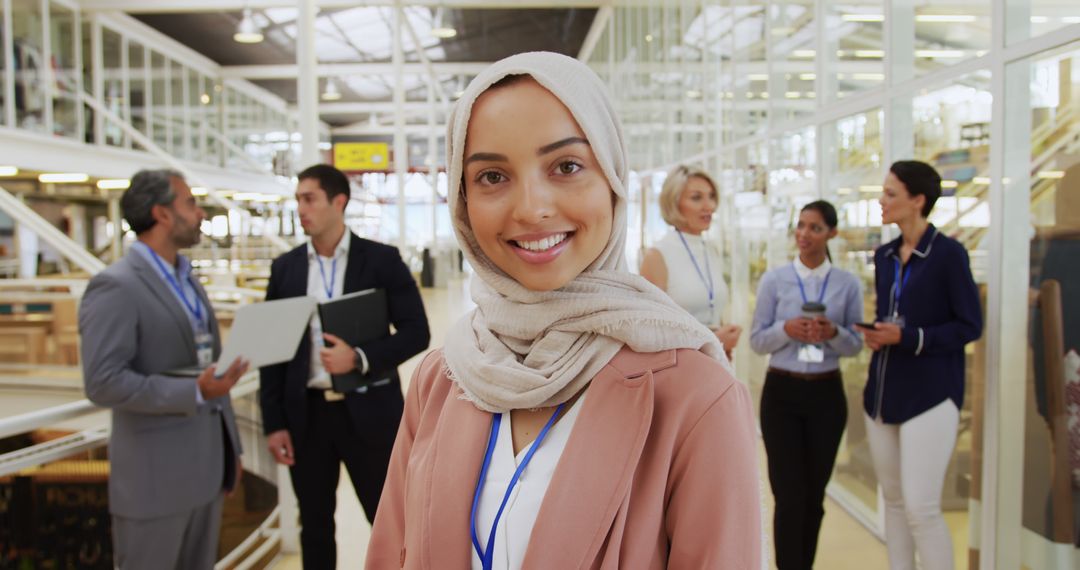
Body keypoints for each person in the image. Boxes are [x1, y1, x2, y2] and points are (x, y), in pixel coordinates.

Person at [365, 51, 761, 570]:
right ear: (461, 200)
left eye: (567, 166)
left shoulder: (696, 396)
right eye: (491, 176)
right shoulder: (442, 380)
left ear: (613, 178)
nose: (531, 208)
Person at [258, 163, 430, 569]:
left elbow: (416, 331)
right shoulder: (285, 269)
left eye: (309, 199)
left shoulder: (381, 261)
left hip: (370, 413)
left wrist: (361, 358)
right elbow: (273, 352)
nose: (301, 208)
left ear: (339, 202)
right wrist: (274, 422)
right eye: (298, 199)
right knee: (314, 527)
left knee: (390, 520)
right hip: (307, 417)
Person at [79, 169, 249, 569]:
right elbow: (103, 382)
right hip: (154, 486)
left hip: (206, 473)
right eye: (190, 203)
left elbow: (210, 369)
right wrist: (192, 392)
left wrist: (231, 449)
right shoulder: (115, 286)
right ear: (162, 214)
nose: (201, 213)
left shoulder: (187, 279)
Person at [856, 160, 983, 570]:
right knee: (892, 503)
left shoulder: (948, 254)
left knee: (921, 508)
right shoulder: (885, 255)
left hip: (930, 395)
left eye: (891, 193)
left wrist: (909, 338)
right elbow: (893, 313)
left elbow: (969, 325)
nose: (882, 200)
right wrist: (878, 333)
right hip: (883, 393)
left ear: (918, 201)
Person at [750, 200, 864, 570]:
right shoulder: (774, 280)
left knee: (813, 497)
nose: (804, 234)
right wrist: (786, 329)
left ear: (831, 233)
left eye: (814, 228)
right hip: (781, 395)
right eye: (800, 226)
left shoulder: (847, 284)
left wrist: (832, 333)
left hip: (825, 396)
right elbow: (757, 341)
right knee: (789, 496)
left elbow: (856, 344)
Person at [639, 165, 742, 357]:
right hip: (683, 369)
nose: (709, 206)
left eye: (711, 196)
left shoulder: (711, 251)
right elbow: (650, 334)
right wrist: (714, 340)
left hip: (716, 363)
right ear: (674, 202)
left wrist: (723, 339)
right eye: (696, 197)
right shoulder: (657, 255)